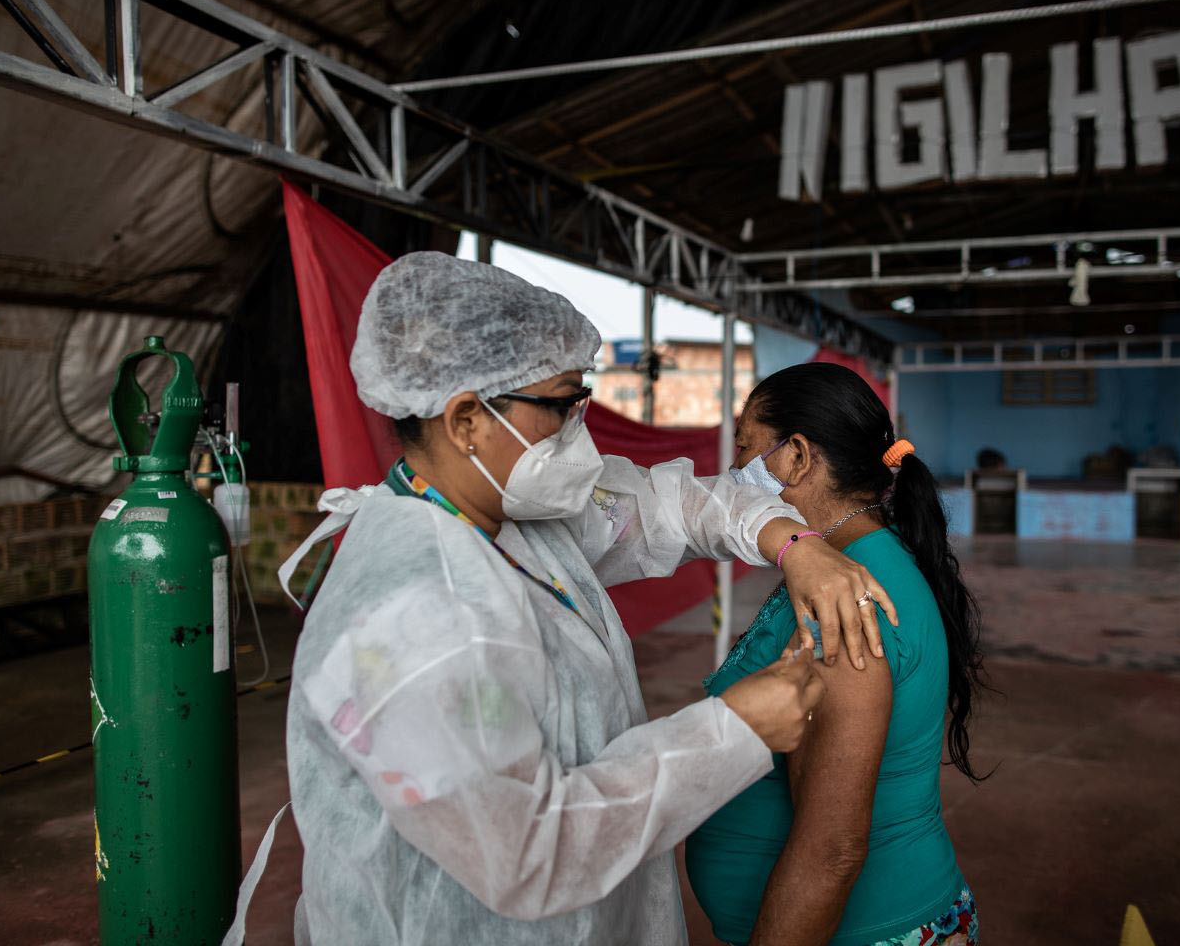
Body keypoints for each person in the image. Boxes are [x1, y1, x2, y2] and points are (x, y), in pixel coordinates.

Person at [272, 253, 900, 945]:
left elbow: (676, 507)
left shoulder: (503, 516)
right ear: (465, 421)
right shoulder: (417, 614)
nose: (582, 433)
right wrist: (734, 730)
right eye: (560, 406)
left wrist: (791, 542)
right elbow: (527, 854)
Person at [687, 362, 988, 946]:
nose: (731, 472)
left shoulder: (845, 605)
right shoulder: (844, 562)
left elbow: (833, 851)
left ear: (797, 456)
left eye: (746, 449)